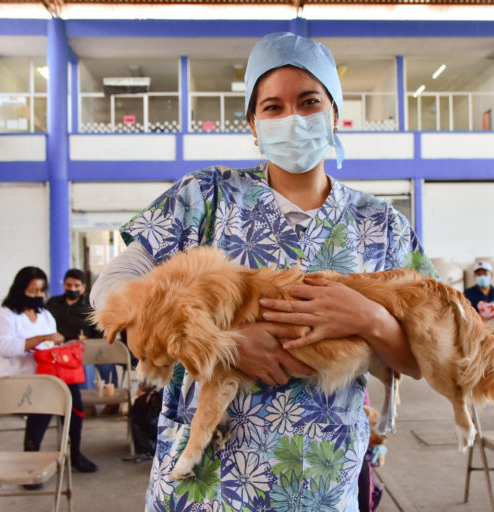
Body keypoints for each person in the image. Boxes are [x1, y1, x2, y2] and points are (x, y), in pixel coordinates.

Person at [91, 32, 436, 511]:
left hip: (318, 480)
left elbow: (422, 359)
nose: (292, 118)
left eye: (309, 101)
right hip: (205, 483)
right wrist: (221, 346)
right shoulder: (205, 197)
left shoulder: (381, 225)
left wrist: (369, 320)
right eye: (273, 107)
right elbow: (114, 285)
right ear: (252, 123)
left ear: (334, 113)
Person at [0, 266, 98, 488]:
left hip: (44, 375)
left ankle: (74, 452)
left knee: (73, 399)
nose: (38, 296)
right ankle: (31, 459)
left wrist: (68, 345)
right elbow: (6, 348)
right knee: (45, 399)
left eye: (41, 291)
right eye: (32, 291)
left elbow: (49, 348)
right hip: (14, 380)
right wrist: (43, 337)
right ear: (19, 290)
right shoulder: (4, 315)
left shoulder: (44, 315)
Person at [45, 268, 117, 414]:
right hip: (61, 348)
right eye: (69, 285)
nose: (72, 289)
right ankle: (87, 403)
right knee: (85, 364)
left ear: (83, 287)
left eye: (76, 286)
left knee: (106, 359)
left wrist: (88, 339)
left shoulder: (91, 307)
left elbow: (100, 333)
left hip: (86, 346)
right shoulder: (52, 304)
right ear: (64, 285)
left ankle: (113, 400)